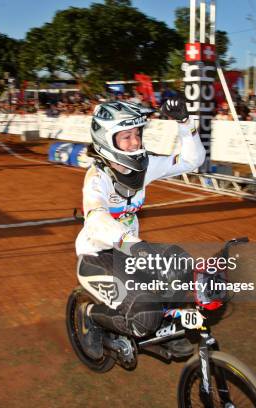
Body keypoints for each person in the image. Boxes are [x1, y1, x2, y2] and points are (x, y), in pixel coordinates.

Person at [74, 97, 205, 359]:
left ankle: (166, 330)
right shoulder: (97, 177)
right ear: (105, 140)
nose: (135, 142)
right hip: (96, 255)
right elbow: (97, 220)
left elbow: (192, 161)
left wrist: (184, 123)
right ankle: (90, 316)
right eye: (126, 137)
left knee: (179, 263)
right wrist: (137, 248)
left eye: (137, 134)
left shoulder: (145, 167)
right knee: (144, 315)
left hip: (130, 252)